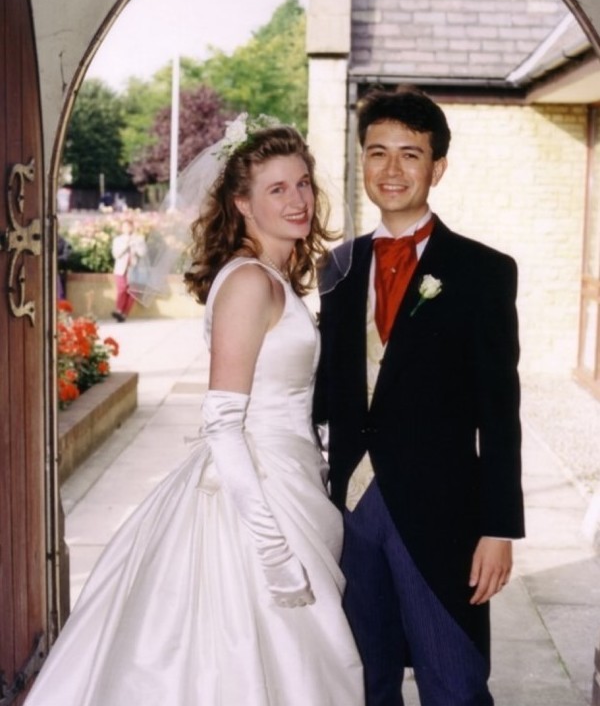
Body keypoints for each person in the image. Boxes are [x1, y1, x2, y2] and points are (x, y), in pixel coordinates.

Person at [24, 117, 364, 706]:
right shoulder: (250, 284)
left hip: (290, 477)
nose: (297, 200)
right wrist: (272, 547)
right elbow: (224, 425)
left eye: (303, 183)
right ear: (242, 203)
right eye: (276, 189)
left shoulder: (275, 279)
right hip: (251, 500)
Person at [314, 85, 525, 705]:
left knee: (453, 682)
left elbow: (501, 413)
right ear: (362, 163)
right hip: (353, 510)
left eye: (411, 154)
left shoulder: (484, 272)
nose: (392, 169)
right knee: (365, 682)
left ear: (438, 167)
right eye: (378, 153)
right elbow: (328, 390)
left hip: (443, 516)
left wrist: (498, 528)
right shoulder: (338, 269)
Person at [110, 218, 146, 322]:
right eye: (125, 226)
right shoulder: (118, 240)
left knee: (133, 292)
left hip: (134, 269)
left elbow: (143, 253)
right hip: (121, 269)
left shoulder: (139, 239)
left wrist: (136, 245)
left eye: (129, 226)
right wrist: (126, 244)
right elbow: (116, 254)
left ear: (132, 227)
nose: (127, 228)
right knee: (122, 289)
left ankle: (124, 314)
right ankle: (119, 310)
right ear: (121, 228)